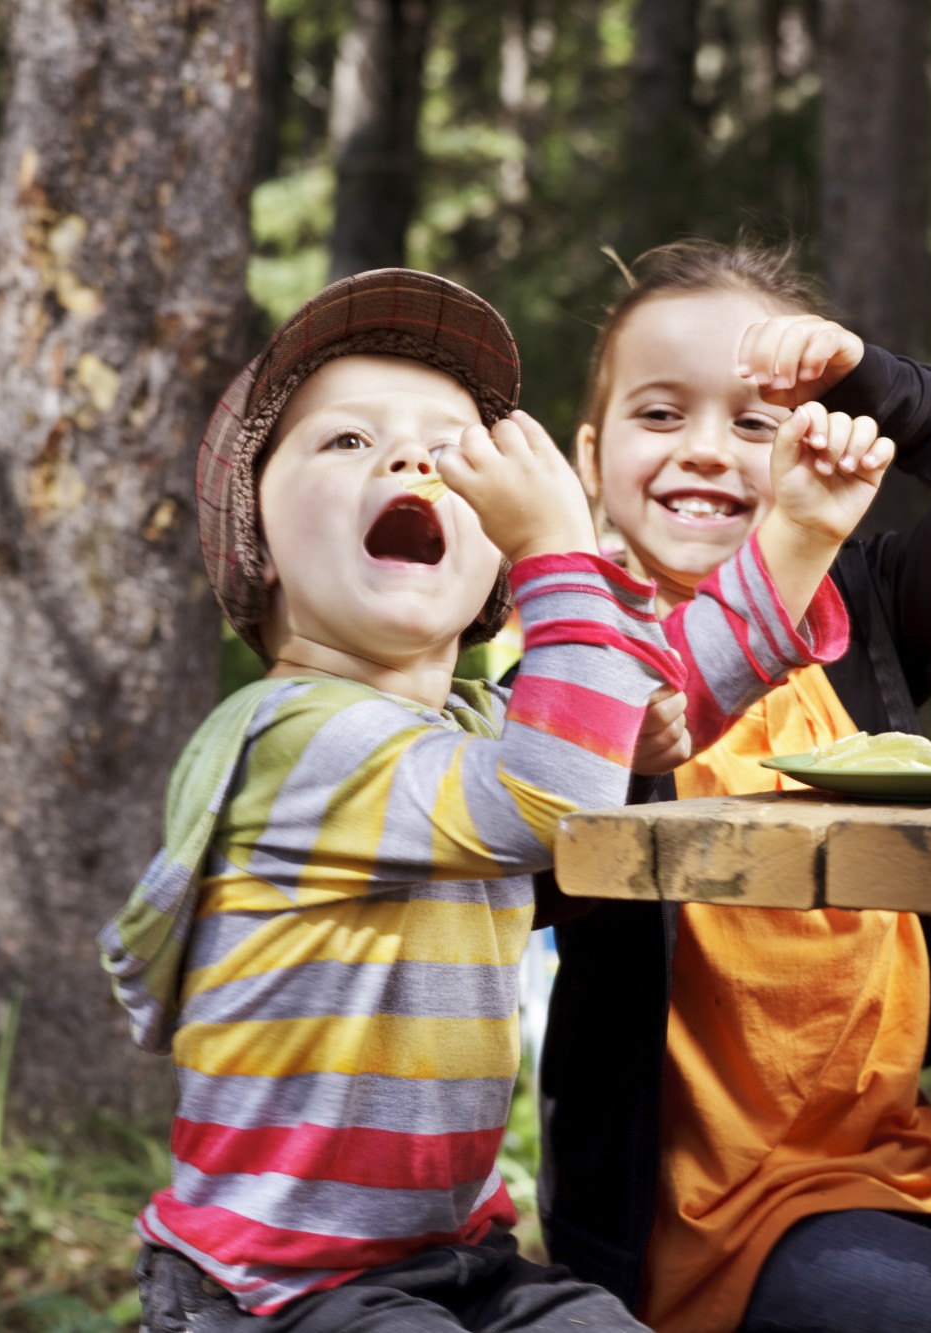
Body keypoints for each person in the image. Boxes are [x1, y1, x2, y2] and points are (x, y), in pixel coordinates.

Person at [536, 241, 931, 1333]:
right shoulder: (571, 663)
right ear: (587, 457)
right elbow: (553, 827)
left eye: (753, 421)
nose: (706, 452)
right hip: (711, 1226)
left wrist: (874, 380)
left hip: (913, 1162)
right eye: (659, 415)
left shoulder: (857, 619)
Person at [97, 268, 690, 1332]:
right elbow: (543, 805)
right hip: (266, 1289)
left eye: (452, 447)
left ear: (488, 580)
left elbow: (676, 685)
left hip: (449, 1251)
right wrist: (556, 548)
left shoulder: (466, 732)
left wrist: (798, 545)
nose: (410, 459)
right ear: (257, 544)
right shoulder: (288, 736)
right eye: (346, 441)